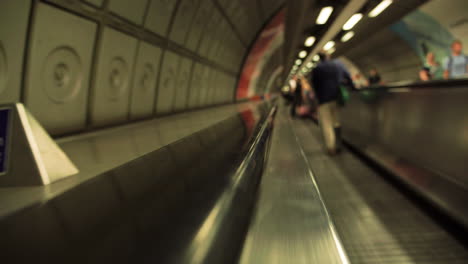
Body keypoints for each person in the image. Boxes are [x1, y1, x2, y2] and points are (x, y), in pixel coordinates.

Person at [310, 52, 354, 155]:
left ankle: (331, 147)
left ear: (319, 58)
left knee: (327, 124)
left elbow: (315, 85)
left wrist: (318, 98)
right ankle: (339, 144)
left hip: (323, 101)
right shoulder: (337, 64)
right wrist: (352, 86)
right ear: (328, 56)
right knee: (336, 122)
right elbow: (347, 76)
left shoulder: (317, 69)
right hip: (336, 98)